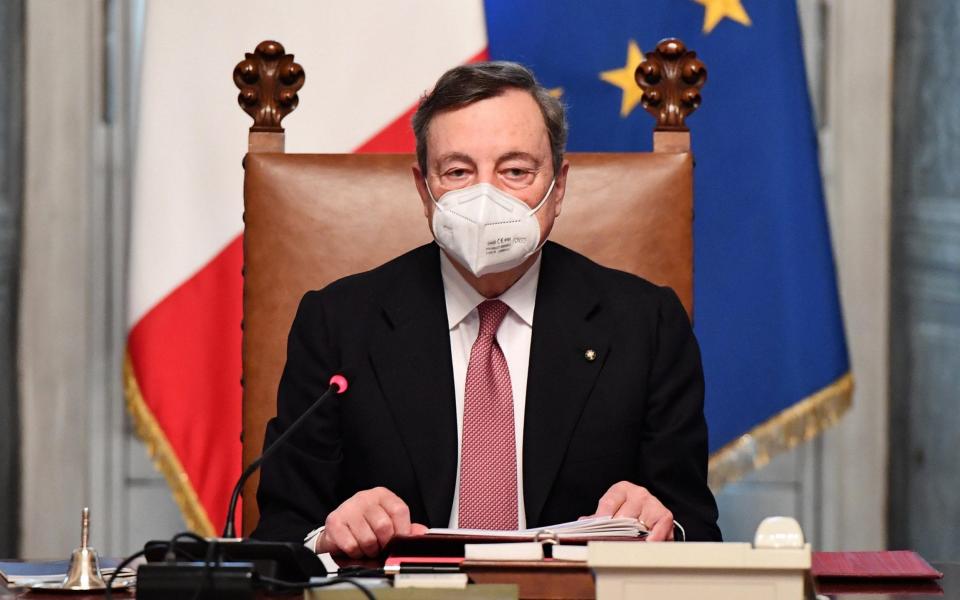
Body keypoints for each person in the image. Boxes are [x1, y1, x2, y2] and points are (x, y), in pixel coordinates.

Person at [252, 61, 721, 557]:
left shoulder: (645, 325)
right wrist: (328, 537)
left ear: (558, 188)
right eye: (458, 172)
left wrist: (662, 524)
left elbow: (698, 531)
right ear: (423, 190)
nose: (486, 197)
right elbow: (280, 529)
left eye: (515, 171)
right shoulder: (337, 323)